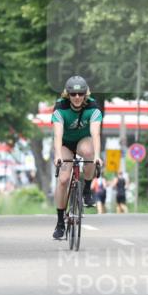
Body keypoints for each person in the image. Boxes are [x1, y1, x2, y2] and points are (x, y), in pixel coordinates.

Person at [51, 75, 103, 239]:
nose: (77, 97)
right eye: (73, 94)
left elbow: (95, 133)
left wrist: (97, 156)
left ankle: (87, 189)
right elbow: (58, 135)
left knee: (89, 153)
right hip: (65, 144)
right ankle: (60, 222)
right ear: (68, 94)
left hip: (83, 140)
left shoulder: (93, 107)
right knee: (64, 179)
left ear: (86, 94)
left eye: (81, 94)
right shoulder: (60, 107)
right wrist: (58, 155)